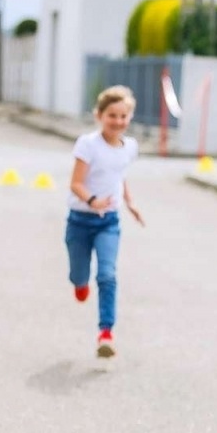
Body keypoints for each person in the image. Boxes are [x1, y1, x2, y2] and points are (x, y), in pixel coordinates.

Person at [66, 85, 145, 358]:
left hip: (109, 222)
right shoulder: (88, 145)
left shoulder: (130, 147)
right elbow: (75, 183)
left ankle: (106, 333)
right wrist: (92, 201)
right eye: (112, 115)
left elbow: (119, 175)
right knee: (79, 274)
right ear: (99, 115)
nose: (118, 122)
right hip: (80, 219)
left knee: (107, 274)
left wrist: (130, 202)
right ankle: (79, 282)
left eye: (124, 116)